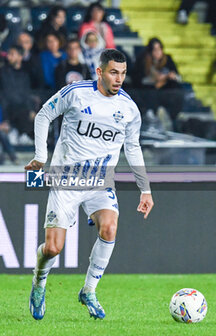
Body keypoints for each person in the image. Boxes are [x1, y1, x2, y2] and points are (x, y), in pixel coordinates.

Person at [25, 49, 154, 321]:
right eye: (113, 72)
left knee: (109, 226)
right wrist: (40, 155)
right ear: (99, 72)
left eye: (122, 73)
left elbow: (132, 147)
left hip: (100, 180)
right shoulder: (76, 92)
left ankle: (89, 290)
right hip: (66, 178)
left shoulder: (129, 108)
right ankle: (39, 283)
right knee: (53, 249)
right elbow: (43, 116)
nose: (119, 79)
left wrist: (145, 189)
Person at [132, 37, 184, 130]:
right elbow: (137, 79)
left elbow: (177, 76)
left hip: (165, 91)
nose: (157, 52)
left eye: (159, 49)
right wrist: (155, 80)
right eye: (155, 50)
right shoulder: (143, 60)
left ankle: (173, 117)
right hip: (147, 91)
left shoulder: (167, 59)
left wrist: (168, 77)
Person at [0, 44, 37, 138]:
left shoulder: (25, 73)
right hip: (10, 109)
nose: (8, 57)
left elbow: (27, 93)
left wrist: (31, 109)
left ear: (20, 56)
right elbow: (6, 96)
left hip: (22, 109)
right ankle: (24, 135)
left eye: (12, 54)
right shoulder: (3, 72)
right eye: (8, 54)